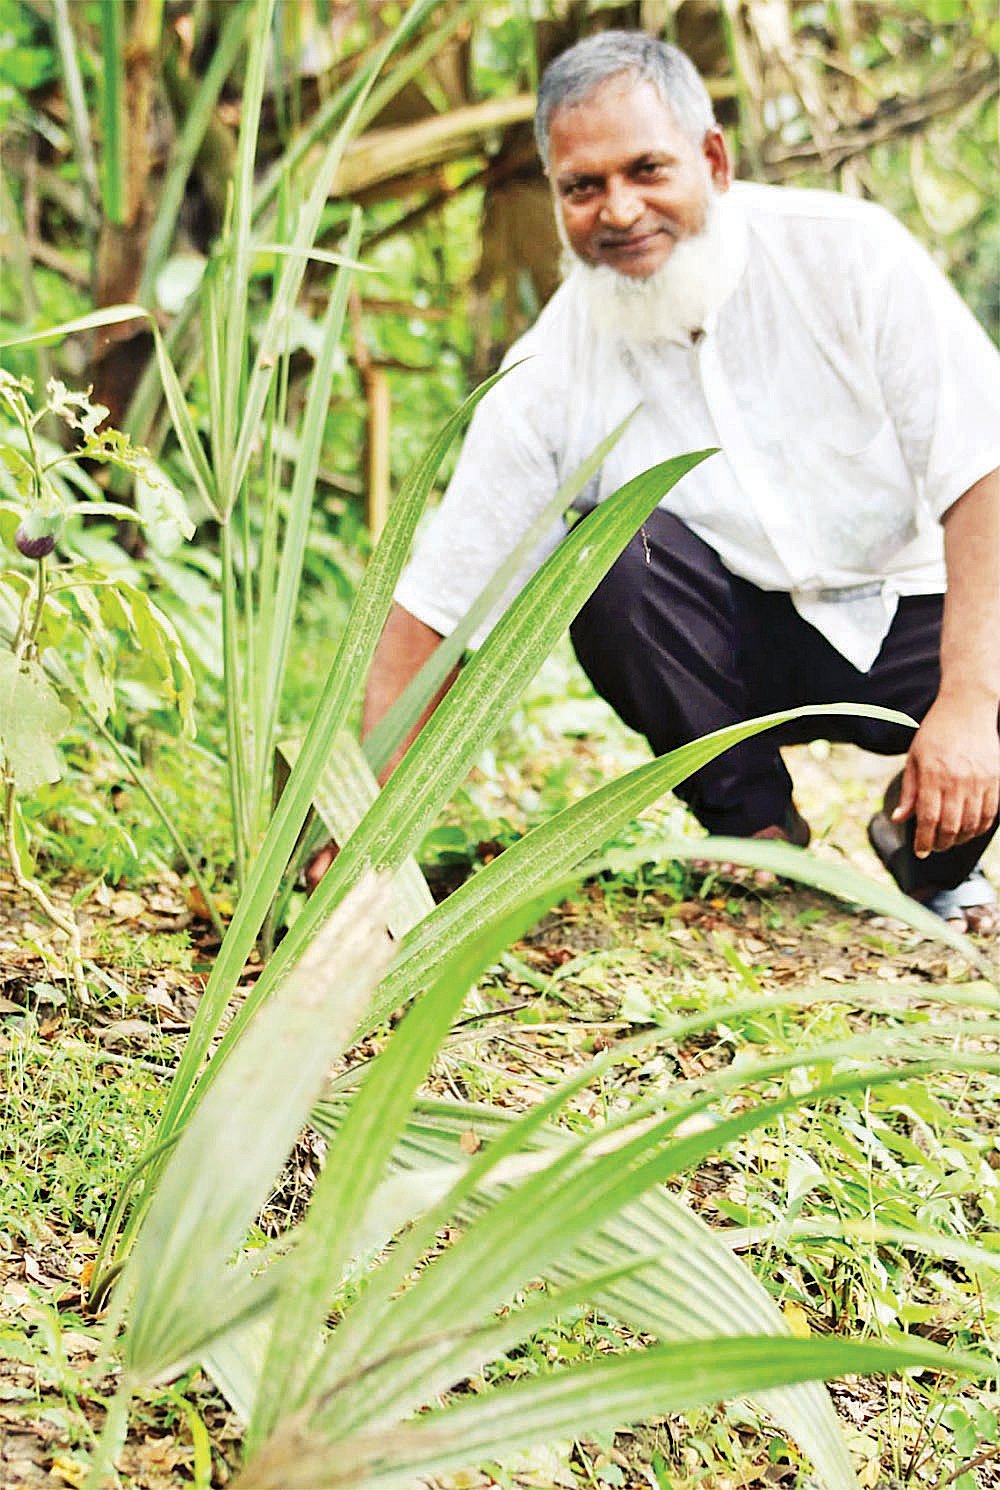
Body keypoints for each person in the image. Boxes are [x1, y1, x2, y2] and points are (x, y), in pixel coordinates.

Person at [310, 31, 1000, 931]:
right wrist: (364, 814)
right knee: (609, 551)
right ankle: (755, 833)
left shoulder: (851, 256)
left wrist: (971, 706)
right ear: (556, 197)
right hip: (732, 649)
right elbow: (440, 600)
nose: (620, 210)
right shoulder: (554, 363)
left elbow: (979, 470)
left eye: (646, 169)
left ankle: (928, 855)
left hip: (912, 617)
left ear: (712, 158)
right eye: (583, 187)